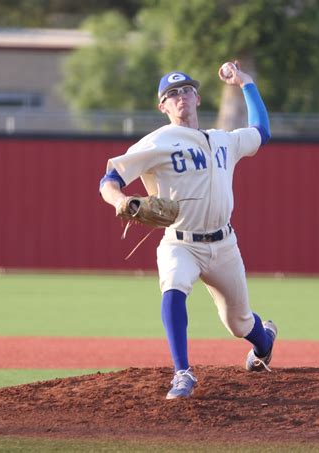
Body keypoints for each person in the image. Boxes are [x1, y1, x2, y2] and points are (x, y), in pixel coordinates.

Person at [99, 61, 277, 399]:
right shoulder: (156, 142)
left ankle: (264, 343)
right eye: (172, 93)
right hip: (180, 242)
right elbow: (108, 180)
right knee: (174, 285)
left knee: (239, 323)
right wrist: (119, 201)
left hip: (224, 245)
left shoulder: (224, 140)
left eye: (186, 91)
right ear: (162, 106)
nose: (181, 97)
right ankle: (182, 373)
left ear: (197, 98)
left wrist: (247, 83)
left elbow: (262, 131)